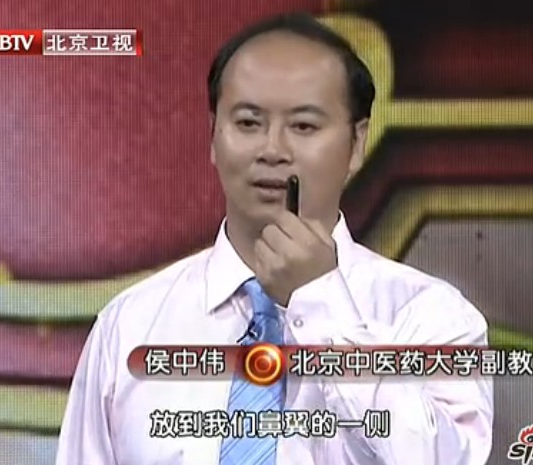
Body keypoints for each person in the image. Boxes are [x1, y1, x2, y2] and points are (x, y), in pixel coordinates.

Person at [55, 12, 493, 465]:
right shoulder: (131, 326)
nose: (272, 150)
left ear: (357, 143)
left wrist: (320, 303)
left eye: (303, 126)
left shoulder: (428, 317)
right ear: (213, 135)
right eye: (248, 123)